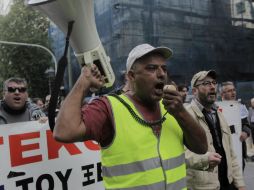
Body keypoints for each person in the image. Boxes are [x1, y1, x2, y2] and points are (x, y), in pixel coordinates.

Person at [54, 43, 208, 189]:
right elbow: (64, 131)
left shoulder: (173, 107)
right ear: (131, 76)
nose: (161, 74)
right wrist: (83, 83)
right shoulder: (109, 107)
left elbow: (201, 148)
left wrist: (181, 112)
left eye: (164, 68)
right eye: (152, 68)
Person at [185, 70, 245, 190]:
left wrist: (240, 184)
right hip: (203, 187)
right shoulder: (186, 116)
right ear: (194, 90)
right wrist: (204, 159)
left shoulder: (219, 114)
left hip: (227, 184)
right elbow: (181, 154)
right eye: (206, 83)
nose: (212, 87)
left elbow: (231, 153)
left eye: (213, 82)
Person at [220, 81, 251, 170]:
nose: (233, 93)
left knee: (239, 178)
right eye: (229, 91)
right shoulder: (216, 108)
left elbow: (246, 124)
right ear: (222, 93)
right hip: (223, 150)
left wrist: (245, 132)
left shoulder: (240, 107)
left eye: (234, 90)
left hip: (239, 149)